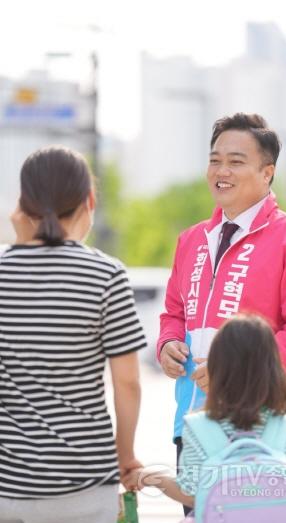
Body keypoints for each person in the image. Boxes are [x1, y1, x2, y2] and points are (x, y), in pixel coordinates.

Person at [157, 112, 286, 513]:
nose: (222, 171)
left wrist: (233, 371)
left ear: (267, 172)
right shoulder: (191, 240)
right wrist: (167, 342)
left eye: (236, 161)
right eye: (215, 159)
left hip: (263, 433)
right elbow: (173, 313)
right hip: (194, 425)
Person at [0, 146, 146, 523]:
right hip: (83, 481)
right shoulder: (106, 275)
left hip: (7, 485)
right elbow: (127, 382)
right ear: (89, 200)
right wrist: (125, 455)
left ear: (23, 204)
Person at [124, 314, 286, 515]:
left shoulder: (198, 427)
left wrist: (150, 477)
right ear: (273, 369)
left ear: (217, 368)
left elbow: (191, 493)